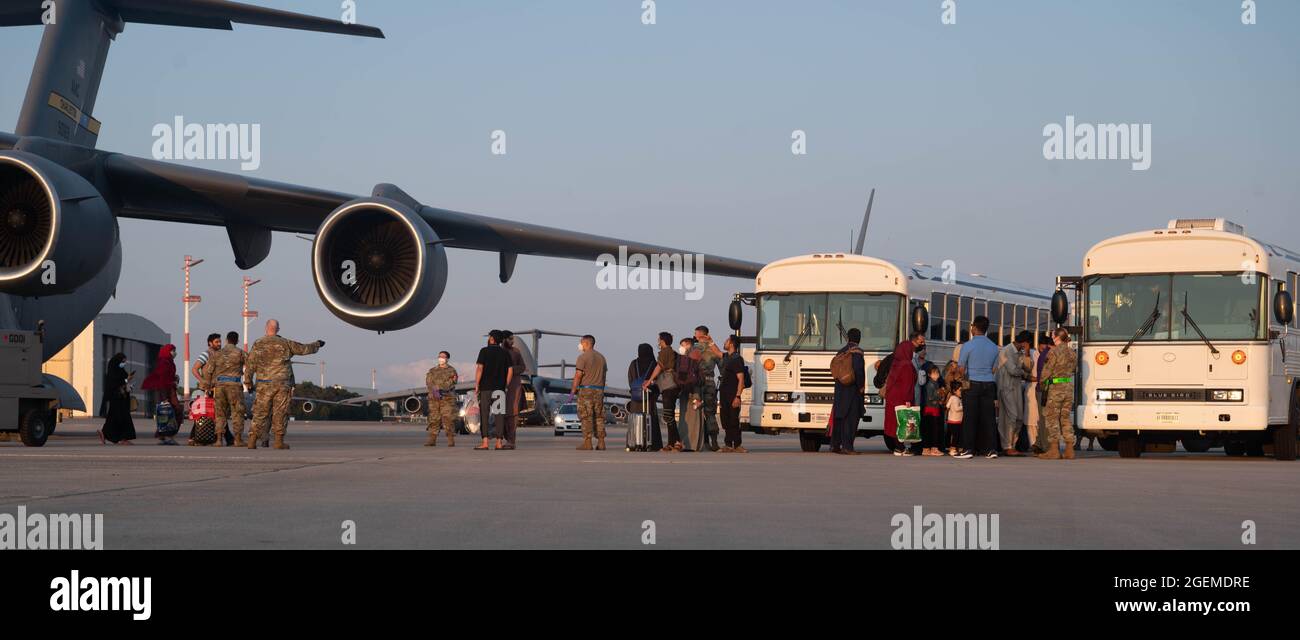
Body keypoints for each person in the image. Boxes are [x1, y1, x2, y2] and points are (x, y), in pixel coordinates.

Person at [245, 319, 324, 450]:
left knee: (259, 412)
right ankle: (278, 442)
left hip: (263, 384)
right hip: (282, 384)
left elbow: (250, 364)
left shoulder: (258, 344)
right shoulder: (285, 343)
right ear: (278, 329)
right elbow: (304, 349)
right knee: (280, 412)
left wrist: (248, 381)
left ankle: (252, 441)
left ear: (266, 328)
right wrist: (317, 344)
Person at [957, 316, 1000, 459]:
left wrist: (964, 378)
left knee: (970, 417)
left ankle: (968, 449)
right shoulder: (994, 347)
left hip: (972, 384)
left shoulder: (968, 346)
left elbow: (961, 368)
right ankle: (991, 449)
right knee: (989, 418)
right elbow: (994, 369)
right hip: (989, 384)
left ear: (974, 328)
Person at [1037, 328, 1079, 460]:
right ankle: (1069, 450)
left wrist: (1042, 385)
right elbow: (1074, 369)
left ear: (1056, 337)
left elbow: (1046, 372)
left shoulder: (1053, 352)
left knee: (1052, 417)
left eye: (1052, 335)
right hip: (1068, 386)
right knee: (1065, 418)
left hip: (1055, 387)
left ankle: (1054, 450)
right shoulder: (1072, 353)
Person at [201, 331, 247, 447]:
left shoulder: (217, 354)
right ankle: (238, 439)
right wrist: (249, 382)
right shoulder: (241, 353)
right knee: (237, 412)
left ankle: (219, 440)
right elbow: (251, 367)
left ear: (226, 340)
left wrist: (207, 386)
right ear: (237, 341)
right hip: (234, 386)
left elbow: (208, 371)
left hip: (220, 386)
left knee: (220, 414)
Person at [883, 331, 925, 455]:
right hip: (902, 398)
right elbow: (907, 386)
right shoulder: (907, 365)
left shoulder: (896, 363)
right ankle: (901, 448)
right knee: (903, 423)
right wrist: (908, 401)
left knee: (895, 424)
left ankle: (898, 447)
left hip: (892, 399)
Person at [995, 331, 1034, 457]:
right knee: (1010, 416)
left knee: (1019, 418)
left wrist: (1027, 353)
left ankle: (1012, 445)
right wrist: (1024, 374)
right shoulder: (1006, 351)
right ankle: (1007, 446)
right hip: (1006, 388)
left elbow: (1028, 367)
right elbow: (1013, 370)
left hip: (1016, 388)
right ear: (1024, 342)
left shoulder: (1021, 353)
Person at [830, 328, 866, 455]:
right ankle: (847, 447)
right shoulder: (857, 352)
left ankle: (835, 445)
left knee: (839, 417)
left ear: (848, 338)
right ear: (859, 338)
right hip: (852, 391)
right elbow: (858, 371)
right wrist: (861, 387)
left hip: (840, 390)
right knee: (851, 419)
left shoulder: (841, 351)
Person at [474, 330, 512, 451]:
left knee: (484, 415)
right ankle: (499, 443)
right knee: (499, 416)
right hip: (499, 389)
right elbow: (510, 370)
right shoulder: (505, 353)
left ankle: (485, 443)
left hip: (486, 388)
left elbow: (480, 368)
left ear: (492, 339)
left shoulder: (484, 351)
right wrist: (506, 384)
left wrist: (477, 384)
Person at [643, 332, 680, 452]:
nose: (658, 341)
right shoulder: (672, 351)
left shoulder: (665, 351)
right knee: (669, 416)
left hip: (668, 386)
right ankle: (674, 443)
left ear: (663, 341)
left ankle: (675, 443)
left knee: (668, 416)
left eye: (659, 339)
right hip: (672, 385)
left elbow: (658, 367)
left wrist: (649, 381)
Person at [570, 334, 607, 451]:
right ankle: (601, 443)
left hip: (586, 390)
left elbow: (578, 375)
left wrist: (573, 391)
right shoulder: (602, 358)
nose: (580, 345)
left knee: (586, 416)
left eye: (581, 343)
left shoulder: (583, 357)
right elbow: (604, 376)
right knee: (599, 416)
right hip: (599, 390)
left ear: (586, 343)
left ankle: (587, 442)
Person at [692, 326, 724, 452]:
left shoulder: (693, 349)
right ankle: (714, 442)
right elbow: (722, 367)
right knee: (710, 414)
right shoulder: (713, 350)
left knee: (696, 414)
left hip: (696, 385)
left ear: (699, 335)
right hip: (710, 383)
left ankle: (700, 442)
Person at [141, 344, 182, 442]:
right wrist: (164, 398)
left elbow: (168, 377)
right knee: (173, 412)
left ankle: (163, 434)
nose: (174, 353)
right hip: (164, 391)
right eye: (172, 350)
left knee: (168, 413)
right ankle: (168, 435)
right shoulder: (164, 363)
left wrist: (174, 378)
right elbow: (162, 380)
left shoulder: (169, 362)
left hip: (169, 390)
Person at [628, 343, 661, 451]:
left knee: (635, 420)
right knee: (650, 420)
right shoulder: (654, 364)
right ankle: (652, 443)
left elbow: (631, 380)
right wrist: (654, 394)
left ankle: (634, 443)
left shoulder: (633, 364)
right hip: (649, 397)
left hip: (636, 398)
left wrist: (635, 390)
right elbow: (658, 381)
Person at [98, 353, 136, 445]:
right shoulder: (113, 372)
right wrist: (127, 379)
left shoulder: (121, 371)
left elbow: (123, 381)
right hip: (117, 399)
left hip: (121, 398)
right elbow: (115, 383)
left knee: (113, 419)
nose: (124, 363)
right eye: (123, 361)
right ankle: (123, 438)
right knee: (122, 418)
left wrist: (128, 383)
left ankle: (104, 433)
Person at [717, 335, 747, 453]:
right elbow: (717, 352)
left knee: (734, 420)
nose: (724, 342)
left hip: (733, 394)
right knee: (725, 420)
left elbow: (741, 379)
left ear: (731, 344)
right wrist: (709, 341)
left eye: (726, 340)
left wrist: (738, 396)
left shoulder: (737, 359)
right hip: (723, 394)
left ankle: (738, 445)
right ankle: (728, 445)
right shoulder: (727, 357)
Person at [424, 351, 459, 447]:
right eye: (439, 356)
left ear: (447, 358)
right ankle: (432, 439)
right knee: (434, 418)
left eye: (443, 357)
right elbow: (428, 382)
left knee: (448, 419)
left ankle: (450, 439)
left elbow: (452, 382)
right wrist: (434, 390)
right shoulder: (432, 370)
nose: (441, 358)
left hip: (447, 398)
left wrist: (440, 388)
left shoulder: (452, 371)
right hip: (434, 399)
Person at [675, 337, 703, 451]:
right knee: (688, 418)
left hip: (692, 390)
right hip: (690, 389)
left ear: (688, 344)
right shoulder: (691, 355)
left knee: (691, 418)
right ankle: (688, 443)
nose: (681, 347)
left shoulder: (694, 354)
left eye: (682, 344)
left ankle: (690, 444)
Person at [1028, 334, 1052, 454]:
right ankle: (1045, 446)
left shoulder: (1045, 354)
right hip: (1043, 390)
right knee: (1043, 420)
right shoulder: (1047, 355)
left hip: (1042, 389)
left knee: (1042, 419)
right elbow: (1044, 377)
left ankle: (1038, 443)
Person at [501, 331, 525, 448]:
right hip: (499, 385)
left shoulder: (516, 352)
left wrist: (510, 369)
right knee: (500, 413)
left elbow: (522, 367)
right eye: (510, 339)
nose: (512, 341)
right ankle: (502, 438)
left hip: (513, 386)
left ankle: (511, 440)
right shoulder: (498, 352)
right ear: (504, 339)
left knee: (512, 413)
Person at [920, 363, 945, 456]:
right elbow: (931, 397)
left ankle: (926, 448)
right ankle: (933, 448)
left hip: (931, 408)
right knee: (933, 429)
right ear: (929, 374)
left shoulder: (934, 383)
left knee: (928, 429)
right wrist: (939, 393)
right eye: (934, 373)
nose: (937, 375)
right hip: (931, 409)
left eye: (937, 373)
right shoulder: (931, 384)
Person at [943, 380, 964, 456]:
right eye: (960, 390)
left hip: (952, 420)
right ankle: (952, 449)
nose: (961, 392)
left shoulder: (953, 398)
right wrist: (964, 406)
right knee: (955, 436)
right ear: (954, 391)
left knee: (954, 435)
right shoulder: (955, 398)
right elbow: (956, 409)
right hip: (955, 421)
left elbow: (947, 406)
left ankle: (953, 448)